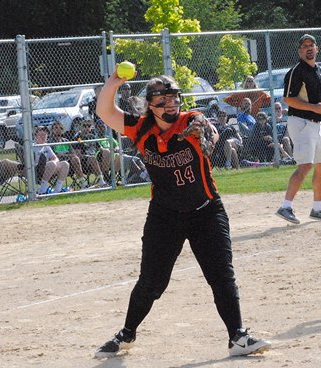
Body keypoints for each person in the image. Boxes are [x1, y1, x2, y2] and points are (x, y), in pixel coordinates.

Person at [93, 72, 270, 358]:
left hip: (206, 211)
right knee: (152, 282)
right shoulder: (139, 129)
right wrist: (115, 80)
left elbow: (206, 131)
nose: (170, 104)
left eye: (174, 97)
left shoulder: (190, 121)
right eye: (162, 100)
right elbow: (104, 111)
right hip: (164, 216)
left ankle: (238, 336)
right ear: (150, 105)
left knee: (221, 275)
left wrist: (205, 138)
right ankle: (126, 335)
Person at [275, 34, 321, 224]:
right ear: (300, 51)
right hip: (301, 122)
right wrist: (314, 108)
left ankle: (317, 208)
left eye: (312, 45)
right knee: (305, 165)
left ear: (317, 49)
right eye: (305, 46)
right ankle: (285, 207)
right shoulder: (296, 71)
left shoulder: (317, 70)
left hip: (315, 124)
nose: (309, 48)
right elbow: (288, 99)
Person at [49, 121, 88, 189]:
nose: (58, 130)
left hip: (70, 165)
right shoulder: (50, 142)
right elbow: (56, 156)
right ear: (52, 130)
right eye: (56, 128)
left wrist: (65, 155)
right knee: (72, 158)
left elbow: (73, 153)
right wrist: (67, 155)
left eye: (60, 128)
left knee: (75, 158)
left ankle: (83, 183)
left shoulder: (65, 141)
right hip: (58, 165)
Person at [33, 126, 70, 194]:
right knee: (51, 164)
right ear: (35, 136)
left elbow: (56, 158)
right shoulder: (32, 146)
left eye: (45, 135)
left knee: (65, 164)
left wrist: (54, 162)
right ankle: (42, 190)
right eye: (41, 135)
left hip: (49, 169)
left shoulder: (46, 146)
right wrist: (53, 163)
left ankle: (57, 190)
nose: (43, 137)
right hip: (36, 171)